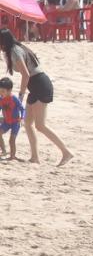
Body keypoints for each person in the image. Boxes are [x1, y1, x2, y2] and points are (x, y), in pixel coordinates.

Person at [0, 30, 70, 165]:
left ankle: (66, 152)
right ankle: (35, 157)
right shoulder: (15, 49)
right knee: (27, 123)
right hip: (34, 85)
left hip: (40, 84)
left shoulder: (15, 51)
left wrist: (20, 95)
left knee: (40, 125)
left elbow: (26, 74)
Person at [0, 77, 23, 160]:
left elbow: (22, 108)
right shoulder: (1, 99)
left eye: (3, 91)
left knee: (11, 140)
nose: (1, 93)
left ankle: (12, 156)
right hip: (6, 122)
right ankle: (4, 151)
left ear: (9, 91)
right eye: (0, 91)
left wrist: (22, 117)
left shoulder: (14, 99)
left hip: (15, 122)